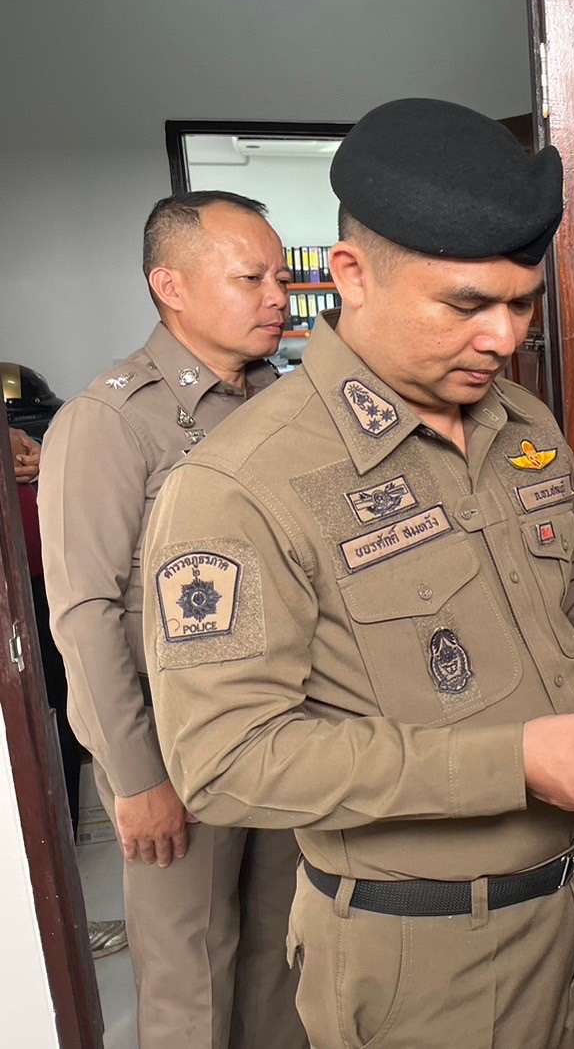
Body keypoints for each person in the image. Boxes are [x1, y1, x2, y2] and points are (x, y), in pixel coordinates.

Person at [140, 98, 574, 1049]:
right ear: (351, 276)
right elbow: (226, 763)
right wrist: (508, 764)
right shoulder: (241, 486)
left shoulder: (520, 423)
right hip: (423, 955)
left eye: (522, 303)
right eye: (467, 305)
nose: (505, 338)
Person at [39, 191, 307, 1046]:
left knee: (285, 962)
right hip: (178, 748)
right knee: (193, 984)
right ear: (173, 286)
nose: (278, 297)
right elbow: (83, 614)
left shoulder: (283, 404)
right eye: (251, 279)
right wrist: (135, 777)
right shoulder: (111, 420)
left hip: (287, 727)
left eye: (281, 277)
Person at [8, 424, 127, 958]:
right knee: (36, 751)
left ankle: (63, 917)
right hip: (18, 602)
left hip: (40, 591)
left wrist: (39, 457)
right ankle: (53, 930)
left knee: (57, 738)